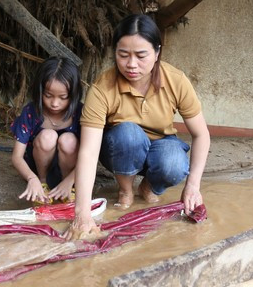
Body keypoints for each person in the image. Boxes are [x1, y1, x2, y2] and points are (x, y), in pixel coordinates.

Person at [67, 14, 210, 238]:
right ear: (115, 52)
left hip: (160, 147)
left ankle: (148, 187)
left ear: (157, 52)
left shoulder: (176, 80)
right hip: (119, 149)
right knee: (129, 133)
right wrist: (82, 213)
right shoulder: (103, 87)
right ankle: (125, 191)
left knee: (175, 161)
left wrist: (193, 185)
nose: (131, 64)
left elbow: (201, 135)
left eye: (141, 55)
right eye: (123, 55)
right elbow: (88, 150)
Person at [10, 56, 83, 204]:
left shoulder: (81, 113)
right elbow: (17, 157)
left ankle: (68, 186)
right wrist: (32, 178)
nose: (55, 103)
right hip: (37, 170)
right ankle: (43, 184)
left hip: (71, 173)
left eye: (63, 97)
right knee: (47, 137)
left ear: (73, 94)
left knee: (69, 140)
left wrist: (70, 180)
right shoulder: (31, 111)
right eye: (48, 96)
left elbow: (91, 155)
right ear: (40, 90)